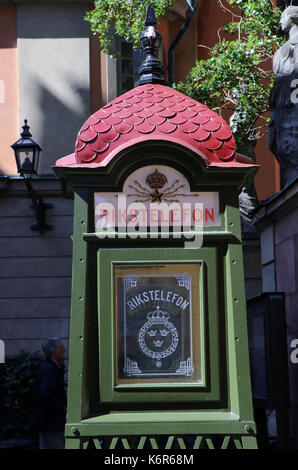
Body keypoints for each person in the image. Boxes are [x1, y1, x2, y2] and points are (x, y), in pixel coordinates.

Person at [269, 6, 298, 187]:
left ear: (293, 18)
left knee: (291, 146)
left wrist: (293, 100)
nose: (280, 21)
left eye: (283, 16)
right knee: (275, 143)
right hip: (279, 104)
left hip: (292, 105)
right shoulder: (282, 49)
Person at [34, 338, 67, 449]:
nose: (64, 350)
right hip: (52, 422)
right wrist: (61, 407)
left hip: (46, 422)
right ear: (53, 352)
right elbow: (45, 394)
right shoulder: (50, 369)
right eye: (61, 347)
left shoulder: (48, 367)